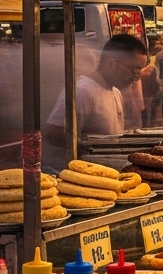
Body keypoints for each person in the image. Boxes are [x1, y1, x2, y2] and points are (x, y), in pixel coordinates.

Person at [44, 34, 148, 171]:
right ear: (112, 63)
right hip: (83, 175)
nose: (136, 77)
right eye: (134, 70)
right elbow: (53, 131)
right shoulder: (83, 91)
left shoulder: (115, 92)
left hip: (106, 171)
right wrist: (89, 149)